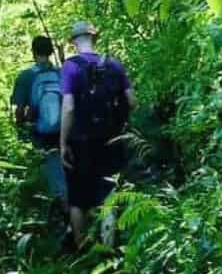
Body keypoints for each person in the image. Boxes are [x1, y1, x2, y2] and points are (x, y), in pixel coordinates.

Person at [60, 21, 136, 247]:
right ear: (95, 38)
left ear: (74, 42)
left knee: (78, 198)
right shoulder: (114, 64)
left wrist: (63, 142)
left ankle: (83, 252)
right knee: (109, 195)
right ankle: (109, 249)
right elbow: (132, 101)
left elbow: (69, 107)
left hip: (79, 141)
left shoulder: (70, 67)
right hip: (111, 139)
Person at [11, 35, 68, 212]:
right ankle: (70, 199)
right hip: (63, 129)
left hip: (39, 130)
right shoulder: (60, 73)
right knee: (63, 162)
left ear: (33, 52)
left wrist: (20, 127)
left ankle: (58, 202)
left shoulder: (26, 76)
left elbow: (19, 109)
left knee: (47, 164)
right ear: (51, 52)